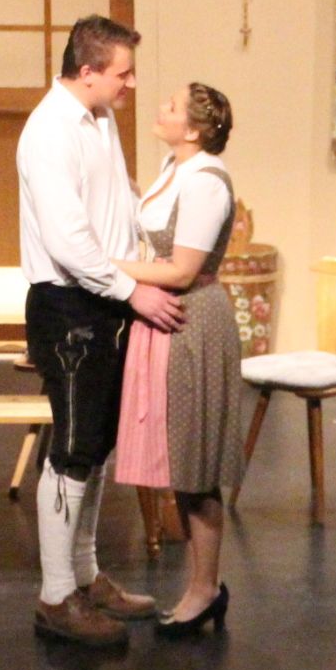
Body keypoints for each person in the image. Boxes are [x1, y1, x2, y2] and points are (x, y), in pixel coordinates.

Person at [17, 14, 185, 648]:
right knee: (71, 448)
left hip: (104, 300)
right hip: (70, 307)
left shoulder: (100, 116)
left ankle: (84, 575)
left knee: (96, 447)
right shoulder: (49, 132)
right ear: (87, 72)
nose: (131, 84)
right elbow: (67, 240)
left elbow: (114, 201)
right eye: (123, 73)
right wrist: (132, 291)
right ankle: (55, 595)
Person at [110, 82, 243, 638]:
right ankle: (200, 585)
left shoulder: (206, 181)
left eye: (171, 106)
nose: (160, 109)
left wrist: (106, 267)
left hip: (193, 325)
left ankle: (205, 588)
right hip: (165, 320)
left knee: (195, 465)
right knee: (178, 463)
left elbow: (183, 271)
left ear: (192, 129)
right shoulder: (174, 167)